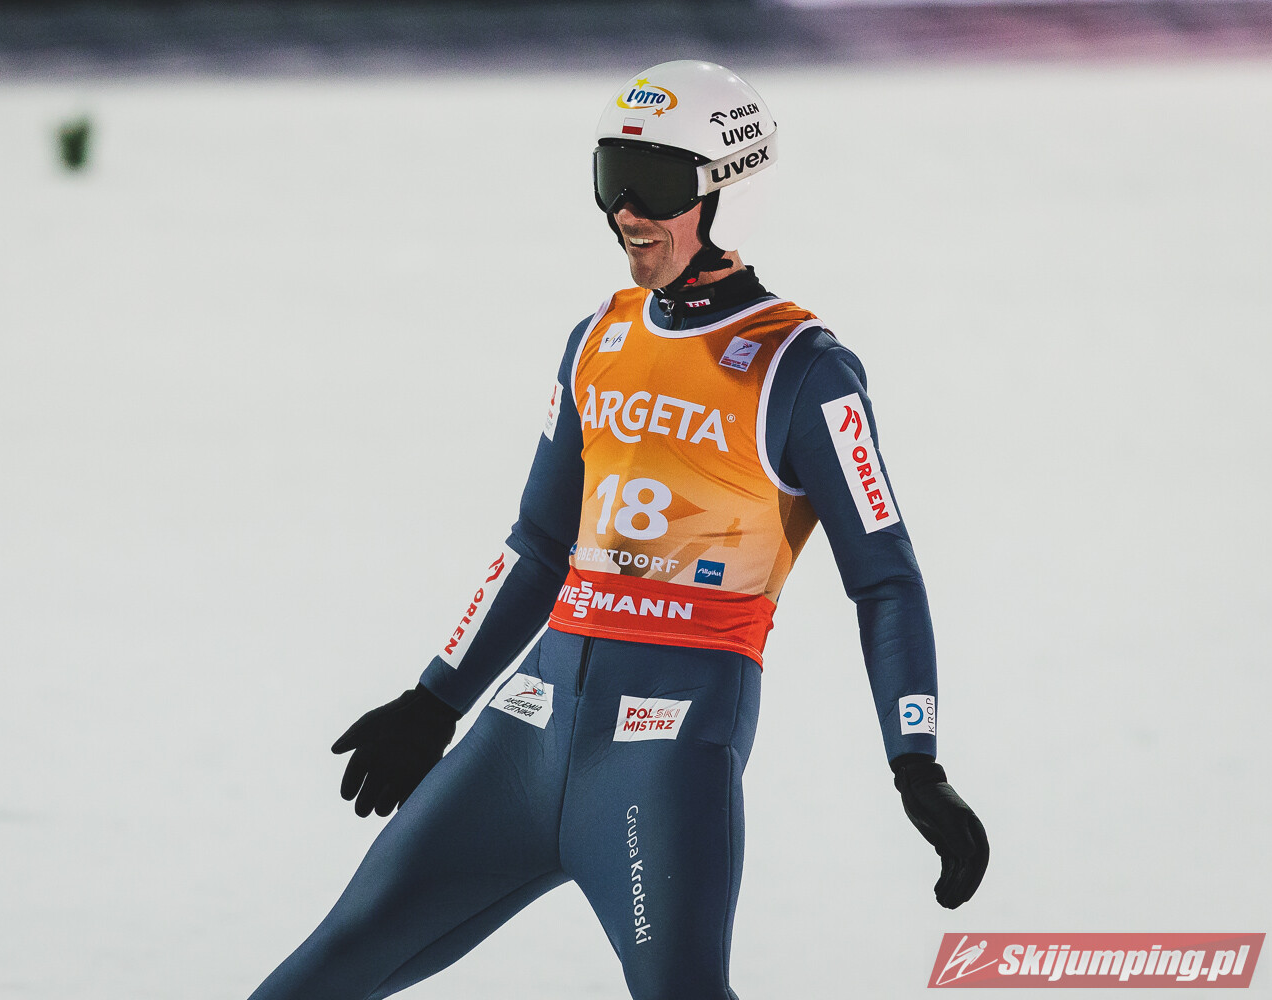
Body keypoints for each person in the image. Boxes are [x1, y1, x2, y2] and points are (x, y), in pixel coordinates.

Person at [248, 59, 988, 1000]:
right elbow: (537, 545)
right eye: (611, 178)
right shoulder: (598, 336)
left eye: (656, 185)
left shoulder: (804, 369)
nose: (626, 211)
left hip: (665, 752)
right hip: (524, 733)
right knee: (310, 980)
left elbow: (885, 579)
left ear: (728, 192)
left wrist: (915, 762)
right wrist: (436, 699)